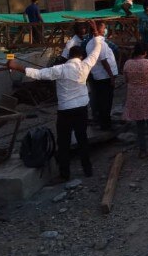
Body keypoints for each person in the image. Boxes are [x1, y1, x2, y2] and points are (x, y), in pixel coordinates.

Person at [8, 20, 101, 180]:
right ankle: (88, 170)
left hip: (65, 110)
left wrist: (16, 66)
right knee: (82, 139)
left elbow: (39, 74)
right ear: (80, 56)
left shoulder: (60, 69)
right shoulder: (86, 65)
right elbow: (97, 50)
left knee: (63, 142)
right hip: (81, 109)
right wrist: (96, 32)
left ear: (69, 57)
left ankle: (65, 174)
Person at [123, 42, 148, 158]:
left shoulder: (127, 63)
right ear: (145, 52)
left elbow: (126, 80)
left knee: (139, 124)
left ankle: (142, 150)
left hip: (134, 95)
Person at [86, 23, 119, 130]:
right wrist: (112, 77)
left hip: (97, 76)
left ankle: (102, 122)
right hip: (105, 77)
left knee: (101, 101)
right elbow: (104, 61)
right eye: (104, 28)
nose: (105, 30)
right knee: (107, 102)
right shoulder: (101, 44)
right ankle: (106, 124)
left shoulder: (89, 44)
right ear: (99, 30)